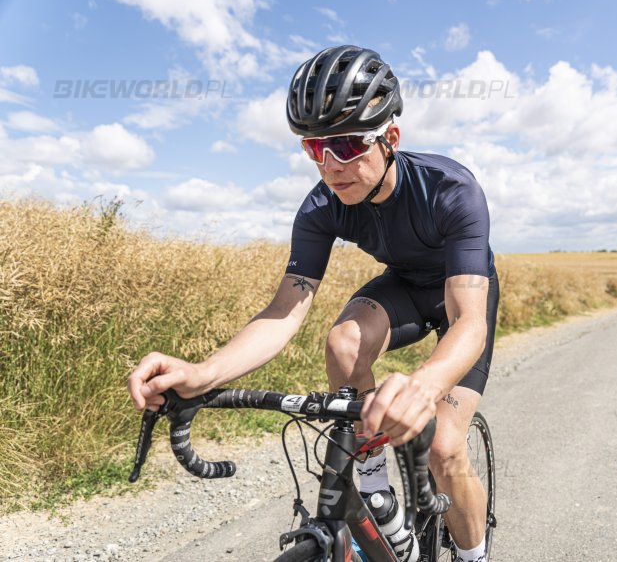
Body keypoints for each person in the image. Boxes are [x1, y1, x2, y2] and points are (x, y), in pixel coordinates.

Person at [127, 45, 498, 562]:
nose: (329, 164)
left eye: (345, 145)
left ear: (389, 138)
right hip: (405, 287)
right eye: (314, 147)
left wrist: (422, 388)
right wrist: (204, 373)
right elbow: (284, 312)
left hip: (463, 294)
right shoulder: (323, 205)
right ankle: (374, 489)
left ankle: (474, 554)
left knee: (443, 447)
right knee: (343, 341)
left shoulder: (450, 189)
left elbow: (469, 321)